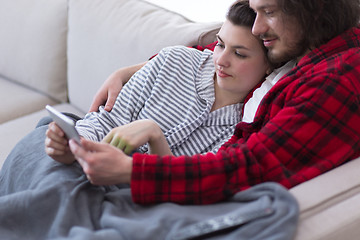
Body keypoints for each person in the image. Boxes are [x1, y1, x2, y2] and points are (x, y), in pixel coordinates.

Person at [68, 0, 360, 205]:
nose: (258, 28)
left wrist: (131, 170)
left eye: (268, 11)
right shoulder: (301, 42)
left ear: (311, 7)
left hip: (204, 192)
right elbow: (222, 50)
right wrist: (135, 69)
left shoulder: (337, 80)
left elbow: (251, 168)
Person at [45, 2, 271, 164]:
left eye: (239, 54)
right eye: (220, 45)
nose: (220, 60)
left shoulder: (245, 128)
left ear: (269, 65)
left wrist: (154, 136)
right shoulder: (174, 61)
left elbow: (187, 184)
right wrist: (74, 146)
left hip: (134, 193)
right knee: (39, 151)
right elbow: (107, 121)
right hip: (87, 160)